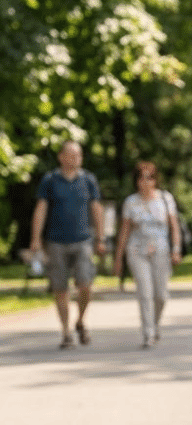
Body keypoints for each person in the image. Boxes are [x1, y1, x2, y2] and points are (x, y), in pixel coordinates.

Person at [29, 141, 104, 349]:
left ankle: (80, 320)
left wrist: (100, 238)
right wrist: (35, 238)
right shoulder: (50, 180)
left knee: (85, 285)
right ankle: (66, 332)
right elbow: (41, 209)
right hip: (55, 242)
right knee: (60, 288)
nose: (75, 158)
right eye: (71, 154)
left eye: (78, 155)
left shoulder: (88, 180)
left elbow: (97, 209)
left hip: (83, 241)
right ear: (61, 157)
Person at [112, 161, 182, 348]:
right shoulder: (131, 202)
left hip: (160, 250)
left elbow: (174, 227)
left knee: (161, 295)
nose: (145, 181)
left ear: (155, 179)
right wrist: (118, 258)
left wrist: (176, 249)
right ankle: (148, 333)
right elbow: (124, 232)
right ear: (136, 180)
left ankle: (155, 323)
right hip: (137, 251)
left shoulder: (165, 199)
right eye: (141, 177)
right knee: (145, 292)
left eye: (150, 177)